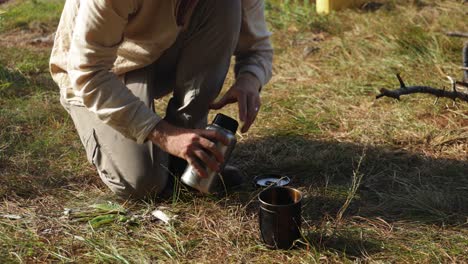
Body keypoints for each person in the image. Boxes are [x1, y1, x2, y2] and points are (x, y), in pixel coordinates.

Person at [49, 0, 273, 199]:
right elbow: (89, 72)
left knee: (225, 4)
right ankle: (170, 147)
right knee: (143, 182)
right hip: (103, 70)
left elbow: (257, 47)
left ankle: (187, 145)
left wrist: (250, 79)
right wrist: (166, 136)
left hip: (160, 51)